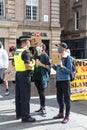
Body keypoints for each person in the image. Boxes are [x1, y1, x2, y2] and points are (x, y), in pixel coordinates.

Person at [14, 36, 36, 123]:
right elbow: (27, 66)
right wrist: (33, 64)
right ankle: (26, 117)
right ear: (26, 42)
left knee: (18, 95)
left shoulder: (17, 51)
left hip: (18, 74)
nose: (30, 43)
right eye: (29, 41)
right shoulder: (25, 52)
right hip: (24, 75)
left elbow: (14, 63)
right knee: (25, 97)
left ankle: (18, 114)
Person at [52, 42, 72, 124]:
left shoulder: (68, 58)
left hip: (65, 80)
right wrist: (53, 65)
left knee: (66, 99)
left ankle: (67, 116)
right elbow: (57, 69)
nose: (58, 48)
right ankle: (61, 113)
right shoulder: (58, 57)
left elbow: (69, 71)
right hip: (58, 80)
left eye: (59, 47)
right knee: (59, 98)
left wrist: (62, 66)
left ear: (64, 48)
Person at [33, 45, 51, 116]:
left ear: (43, 48)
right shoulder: (35, 55)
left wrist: (41, 64)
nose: (38, 48)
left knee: (42, 92)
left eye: (40, 47)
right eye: (37, 47)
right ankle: (41, 107)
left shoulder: (45, 56)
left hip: (42, 77)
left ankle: (43, 108)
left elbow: (49, 67)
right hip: (36, 77)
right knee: (40, 93)